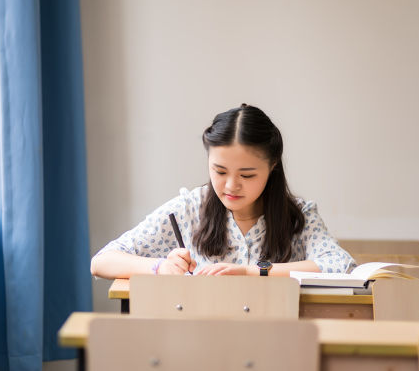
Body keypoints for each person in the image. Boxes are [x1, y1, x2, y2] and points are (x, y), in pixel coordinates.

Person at [90, 103, 356, 278]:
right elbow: (102, 261)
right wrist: (160, 267)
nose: (230, 186)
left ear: (272, 166)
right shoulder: (189, 209)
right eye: (219, 171)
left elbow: (341, 266)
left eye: (247, 174)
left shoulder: (299, 216)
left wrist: (252, 272)